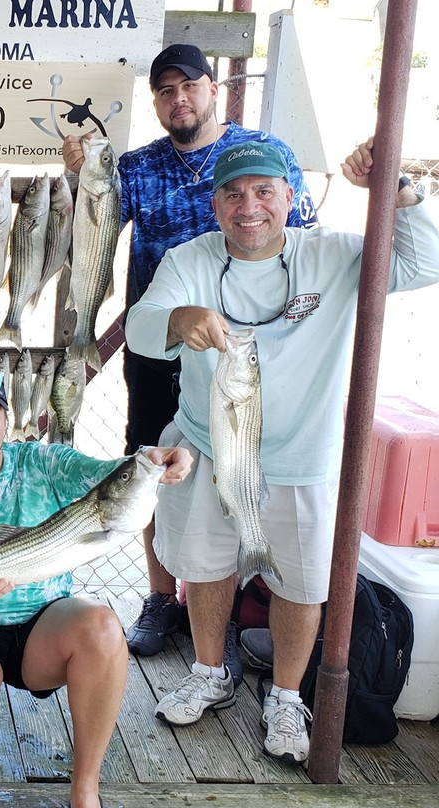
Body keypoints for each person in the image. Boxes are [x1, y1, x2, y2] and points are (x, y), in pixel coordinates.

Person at [124, 138, 439, 763]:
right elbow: (140, 327)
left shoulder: (332, 253)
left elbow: (422, 264)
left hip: (304, 456)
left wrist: (400, 192)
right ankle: (211, 672)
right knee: (206, 565)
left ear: (290, 198)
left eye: (265, 191)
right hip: (208, 447)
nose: (250, 207)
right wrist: (178, 320)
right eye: (234, 194)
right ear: (215, 204)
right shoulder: (189, 259)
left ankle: (288, 697)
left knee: (301, 581)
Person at [63, 43, 319, 667]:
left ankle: (229, 606)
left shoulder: (259, 156)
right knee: (152, 462)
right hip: (160, 343)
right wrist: (78, 178)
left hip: (247, 345)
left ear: (213, 88)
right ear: (155, 102)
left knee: (239, 465)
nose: (179, 99)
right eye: (165, 90)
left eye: (190, 85)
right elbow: (96, 225)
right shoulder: (138, 165)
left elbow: (307, 241)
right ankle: (161, 599)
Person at [0, 358, 194, 808]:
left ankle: (85, 787)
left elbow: (102, 475)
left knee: (102, 625)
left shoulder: (42, 459)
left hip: (45, 625)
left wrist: (149, 461)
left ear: (6, 418)